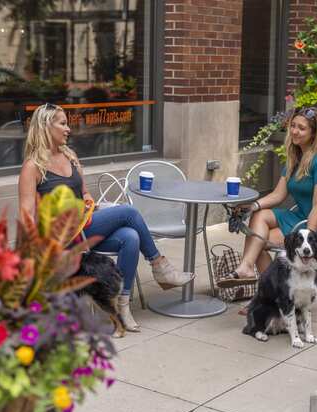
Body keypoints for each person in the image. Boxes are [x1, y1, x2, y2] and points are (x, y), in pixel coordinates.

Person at [18, 103, 193, 332]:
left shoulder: (70, 157)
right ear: (45, 126)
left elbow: (85, 194)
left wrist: (90, 201)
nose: (68, 128)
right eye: (63, 123)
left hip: (85, 227)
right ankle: (159, 265)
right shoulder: (33, 167)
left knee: (130, 237)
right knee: (130, 213)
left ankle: (123, 305)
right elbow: (26, 216)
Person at [219, 107, 317, 287]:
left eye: (301, 128)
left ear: (314, 133)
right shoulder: (297, 156)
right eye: (293, 126)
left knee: (258, 242)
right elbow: (278, 195)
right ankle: (253, 274)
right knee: (259, 220)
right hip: (301, 218)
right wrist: (252, 206)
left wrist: (306, 238)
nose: (294, 131)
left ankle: (270, 294)